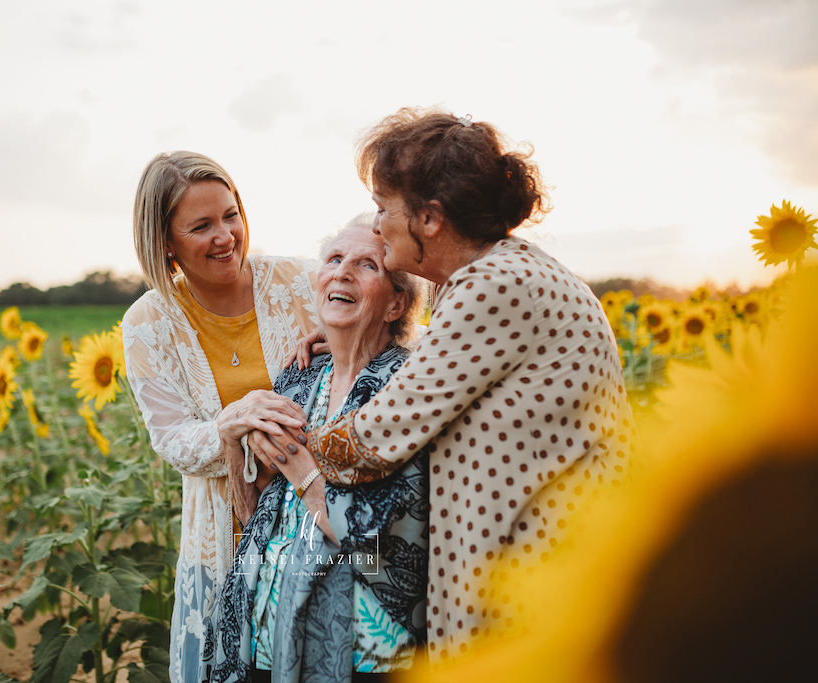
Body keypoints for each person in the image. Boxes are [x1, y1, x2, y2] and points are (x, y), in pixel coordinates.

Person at [249, 108, 637, 665]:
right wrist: (342, 335)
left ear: (430, 219)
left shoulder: (492, 285)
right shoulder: (503, 275)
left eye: (385, 210)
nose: (378, 227)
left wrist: (286, 443)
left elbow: (370, 442)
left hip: (534, 588)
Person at [121, 151, 320, 683]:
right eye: (201, 225)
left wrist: (353, 329)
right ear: (165, 241)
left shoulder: (302, 284)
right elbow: (171, 439)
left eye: (231, 215)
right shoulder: (148, 322)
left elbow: (388, 321)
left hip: (321, 529)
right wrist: (229, 425)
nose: (226, 235)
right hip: (224, 538)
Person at [206, 218, 429, 683]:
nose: (342, 272)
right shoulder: (301, 379)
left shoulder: (405, 395)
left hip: (361, 653)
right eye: (333, 259)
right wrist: (231, 441)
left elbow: (379, 557)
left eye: (367, 264)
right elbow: (257, 523)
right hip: (265, 638)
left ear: (396, 303)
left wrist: (302, 470)